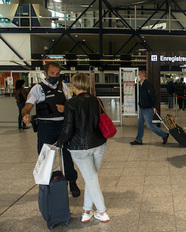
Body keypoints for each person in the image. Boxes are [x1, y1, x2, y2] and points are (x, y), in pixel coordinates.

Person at [22, 61, 80, 197]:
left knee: (66, 156)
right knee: (45, 156)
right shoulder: (37, 88)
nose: (55, 76)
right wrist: (25, 114)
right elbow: (28, 105)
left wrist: (65, 108)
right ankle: (45, 184)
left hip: (62, 126)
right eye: (52, 73)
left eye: (57, 74)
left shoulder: (63, 87)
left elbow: (71, 105)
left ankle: (72, 182)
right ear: (45, 73)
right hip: (45, 127)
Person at [57, 73, 109, 223]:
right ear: (87, 84)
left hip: (79, 148)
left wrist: (60, 142)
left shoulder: (71, 103)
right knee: (90, 178)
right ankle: (86, 210)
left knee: (91, 179)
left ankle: (102, 211)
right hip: (99, 144)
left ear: (73, 86)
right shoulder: (96, 100)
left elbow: (67, 129)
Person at [130, 70, 169, 145]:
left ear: (142, 76)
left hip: (148, 108)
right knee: (140, 124)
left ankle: (164, 135)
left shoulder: (147, 84)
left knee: (149, 125)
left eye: (139, 75)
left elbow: (153, 95)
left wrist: (154, 106)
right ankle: (138, 140)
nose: (138, 77)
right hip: (143, 108)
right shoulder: (141, 84)